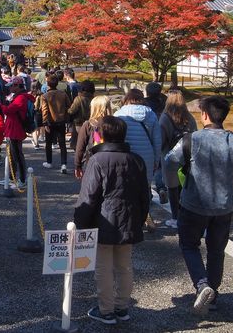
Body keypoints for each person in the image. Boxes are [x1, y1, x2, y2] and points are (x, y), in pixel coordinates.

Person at [164, 96, 233, 314]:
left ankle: (202, 285)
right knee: (216, 250)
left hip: (193, 203)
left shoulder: (191, 139)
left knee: (189, 245)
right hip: (224, 206)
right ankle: (213, 294)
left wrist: (173, 188)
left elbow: (170, 161)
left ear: (204, 115)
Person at [74, 116, 151, 325]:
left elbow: (88, 197)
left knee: (104, 267)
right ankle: (122, 306)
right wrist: (140, 218)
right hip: (129, 219)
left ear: (103, 134)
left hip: (103, 222)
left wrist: (80, 223)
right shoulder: (136, 160)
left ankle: (106, 310)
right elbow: (145, 195)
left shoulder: (97, 160)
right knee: (124, 266)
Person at [115, 89, 161, 232]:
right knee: (145, 187)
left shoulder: (119, 114)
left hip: (126, 156)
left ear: (127, 99)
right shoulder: (151, 114)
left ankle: (129, 219)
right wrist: (156, 160)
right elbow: (157, 140)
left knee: (127, 187)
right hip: (147, 156)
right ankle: (145, 214)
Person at [159, 88, 198, 228]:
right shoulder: (189, 117)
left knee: (173, 189)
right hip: (187, 157)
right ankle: (188, 217)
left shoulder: (165, 117)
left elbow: (161, 141)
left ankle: (176, 218)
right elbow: (196, 136)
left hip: (170, 157)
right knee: (186, 188)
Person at [2, 76, 34, 188]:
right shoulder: (19, 96)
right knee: (12, 154)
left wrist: (1, 105)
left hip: (16, 129)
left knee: (17, 155)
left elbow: (9, 110)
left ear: (16, 86)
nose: (9, 88)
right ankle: (12, 177)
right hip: (13, 128)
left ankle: (22, 179)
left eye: (11, 86)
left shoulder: (21, 98)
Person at [74, 95, 113, 179]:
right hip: (112, 161)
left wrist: (78, 165)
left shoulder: (88, 125)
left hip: (93, 162)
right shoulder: (116, 124)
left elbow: (80, 148)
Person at [41, 75, 70, 174]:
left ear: (48, 84)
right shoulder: (63, 94)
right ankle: (64, 164)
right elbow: (68, 106)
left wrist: (45, 123)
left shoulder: (45, 96)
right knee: (62, 143)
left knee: (48, 143)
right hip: (61, 121)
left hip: (50, 122)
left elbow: (45, 111)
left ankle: (49, 161)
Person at [67, 80, 95, 150]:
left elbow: (72, 111)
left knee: (78, 144)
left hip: (79, 124)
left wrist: (67, 110)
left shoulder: (79, 98)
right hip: (91, 123)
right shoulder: (94, 98)